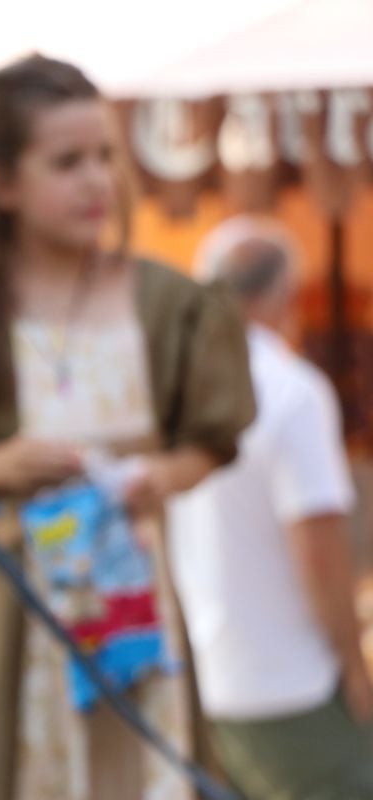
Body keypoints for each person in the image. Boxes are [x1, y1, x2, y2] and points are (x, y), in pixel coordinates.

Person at [0, 54, 256, 800]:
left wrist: (160, 477)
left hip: (138, 605)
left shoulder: (166, 302)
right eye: (67, 162)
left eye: (104, 156)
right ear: (0, 183)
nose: (97, 180)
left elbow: (212, 441)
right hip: (21, 623)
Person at [168, 217, 373, 799]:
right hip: (297, 684)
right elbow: (319, 552)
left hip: (217, 683)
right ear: (284, 295)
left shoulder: (184, 390)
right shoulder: (292, 391)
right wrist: (354, 665)